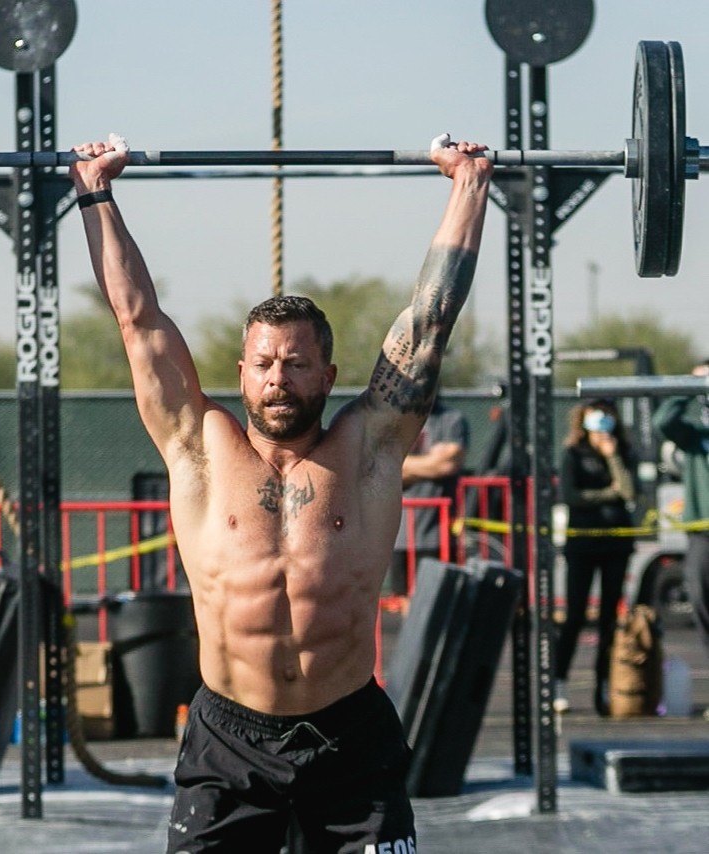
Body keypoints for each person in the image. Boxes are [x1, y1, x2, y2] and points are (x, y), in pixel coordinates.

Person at [69, 131, 492, 853]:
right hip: (229, 743)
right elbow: (137, 321)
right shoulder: (199, 447)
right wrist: (94, 192)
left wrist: (468, 185)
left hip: (349, 738)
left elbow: (429, 322)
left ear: (327, 376)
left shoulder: (367, 450)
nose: (278, 379)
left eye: (296, 364)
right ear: (241, 372)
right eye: (264, 363)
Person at [554, 399, 638, 716]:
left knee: (609, 618)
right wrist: (607, 493)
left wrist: (611, 455)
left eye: (607, 416)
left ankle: (604, 684)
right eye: (595, 416)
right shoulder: (573, 454)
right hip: (582, 543)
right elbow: (571, 496)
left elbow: (629, 492)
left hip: (616, 543)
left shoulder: (623, 451)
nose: (602, 422)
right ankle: (559, 681)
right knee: (575, 615)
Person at [652, 359, 709, 711]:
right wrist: (690, 387)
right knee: (702, 601)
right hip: (702, 531)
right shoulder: (696, 436)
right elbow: (663, 421)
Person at [389, 395, 469, 595]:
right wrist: (430, 462)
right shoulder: (390, 420)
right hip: (398, 536)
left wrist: (402, 466)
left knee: (437, 601)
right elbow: (380, 468)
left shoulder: (451, 420)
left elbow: (447, 464)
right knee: (405, 602)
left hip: (437, 536)